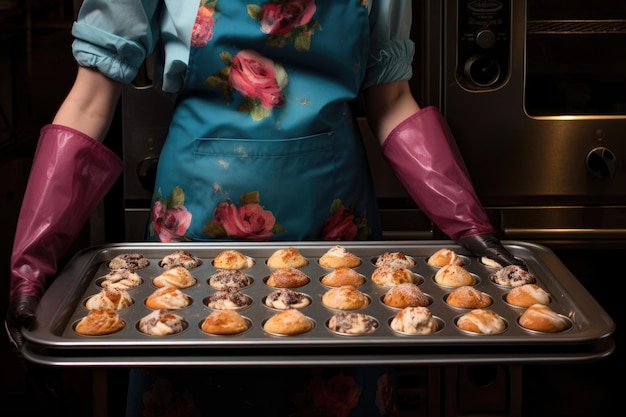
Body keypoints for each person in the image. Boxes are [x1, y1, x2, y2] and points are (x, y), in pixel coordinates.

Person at [5, 1, 524, 416]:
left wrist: (465, 218)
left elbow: (391, 97)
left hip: (333, 232)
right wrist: (32, 266)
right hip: (196, 237)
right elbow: (91, 98)